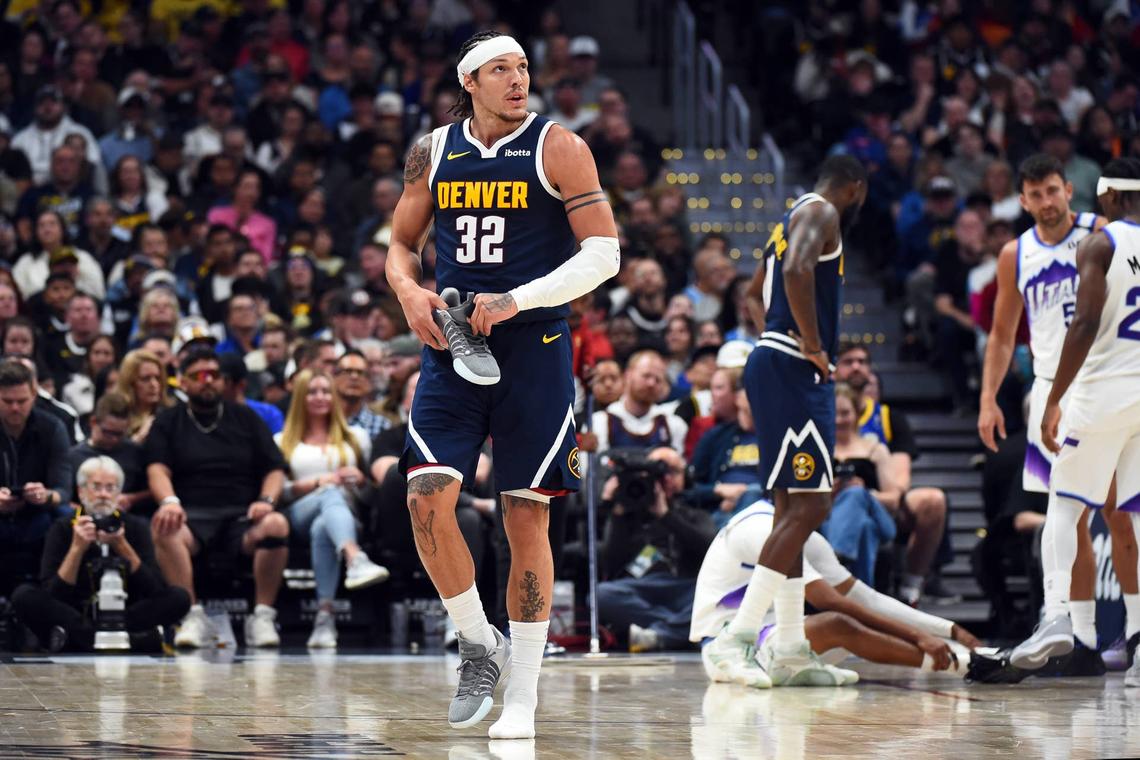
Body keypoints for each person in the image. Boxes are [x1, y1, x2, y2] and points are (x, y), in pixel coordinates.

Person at [385, 31, 619, 739]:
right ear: (471, 83)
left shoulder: (560, 146)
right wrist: (405, 289)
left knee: (525, 516)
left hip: (536, 345)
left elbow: (604, 255)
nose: (518, 79)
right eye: (501, 70)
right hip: (452, 340)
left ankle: (523, 694)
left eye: (521, 67)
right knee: (425, 496)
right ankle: (476, 642)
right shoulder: (434, 150)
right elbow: (400, 243)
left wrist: (517, 299)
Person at [704, 155, 867, 687]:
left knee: (790, 509)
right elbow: (797, 272)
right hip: (794, 369)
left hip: (772, 359)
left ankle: (792, 646)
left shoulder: (789, 220)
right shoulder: (823, 213)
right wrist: (813, 347)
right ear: (855, 189)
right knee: (813, 505)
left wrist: (775, 339)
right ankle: (740, 637)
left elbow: (753, 295)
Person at [980, 155, 1139, 667]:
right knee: (1070, 515)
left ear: (1071, 191)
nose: (1046, 203)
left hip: (1096, 382)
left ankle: (1113, 627)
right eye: (1036, 194)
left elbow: (1090, 320)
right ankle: (1086, 638)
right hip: (1055, 383)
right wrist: (989, 397)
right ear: (1022, 200)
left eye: (1053, 191)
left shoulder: (1102, 231)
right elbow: (1004, 334)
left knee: (1114, 511)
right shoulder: (1015, 254)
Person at [691, 500, 981, 684]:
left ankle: (972, 658)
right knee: (838, 625)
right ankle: (967, 666)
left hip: (775, 635)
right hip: (726, 645)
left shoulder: (806, 535)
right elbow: (828, 600)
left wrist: (952, 631)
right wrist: (918, 636)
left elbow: (864, 599)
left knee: (859, 627)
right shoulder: (760, 528)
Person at [146, 348, 289, 649]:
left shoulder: (246, 417)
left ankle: (262, 615)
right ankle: (190, 615)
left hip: (242, 516)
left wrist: (266, 500)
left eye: (214, 375)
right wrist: (169, 501)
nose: (208, 381)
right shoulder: (168, 421)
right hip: (191, 515)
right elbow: (157, 469)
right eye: (199, 376)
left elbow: (275, 468)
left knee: (276, 524)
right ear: (183, 382)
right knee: (163, 526)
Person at [10, 456, 190, 652]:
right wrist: (77, 548)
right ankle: (127, 640)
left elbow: (154, 588)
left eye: (110, 488)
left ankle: (81, 640)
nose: (103, 495)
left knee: (179, 597)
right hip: (75, 613)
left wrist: (122, 545)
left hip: (125, 615)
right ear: (81, 491)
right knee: (24, 596)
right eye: (96, 487)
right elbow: (53, 593)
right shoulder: (62, 528)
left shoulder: (135, 526)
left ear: (119, 493)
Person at [276, 369, 389, 648]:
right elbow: (280, 493)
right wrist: (317, 482)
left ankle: (324, 618)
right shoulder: (283, 441)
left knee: (323, 527)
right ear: (300, 397)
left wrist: (361, 481)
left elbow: (369, 496)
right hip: (297, 515)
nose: (320, 397)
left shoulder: (356, 437)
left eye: (326, 391)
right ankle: (354, 557)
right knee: (329, 492)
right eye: (312, 392)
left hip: (347, 518)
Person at [596, 446, 717, 652]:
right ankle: (677, 631)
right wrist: (618, 511)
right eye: (659, 473)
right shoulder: (627, 513)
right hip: (643, 589)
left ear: (684, 477)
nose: (664, 479)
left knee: (719, 595)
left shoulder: (694, 514)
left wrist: (666, 515)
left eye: (672, 472)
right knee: (601, 594)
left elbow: (711, 550)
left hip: (686, 588)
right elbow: (609, 563)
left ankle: (659, 634)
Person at [0, 361, 72, 597]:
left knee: (71, 518)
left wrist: (45, 495)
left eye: (21, 401)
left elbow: (63, 490)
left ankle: (60, 600)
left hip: (37, 515)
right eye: (7, 401)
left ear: (34, 396)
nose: (15, 408)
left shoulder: (52, 427)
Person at [588, 350, 688, 455]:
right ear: (628, 375)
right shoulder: (599, 423)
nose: (651, 383)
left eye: (658, 379)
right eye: (646, 376)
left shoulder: (674, 426)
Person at [67, 393, 150, 516]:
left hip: (130, 518)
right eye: (108, 433)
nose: (114, 439)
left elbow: (151, 490)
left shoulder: (136, 453)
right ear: (93, 422)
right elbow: (64, 498)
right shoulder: (73, 457)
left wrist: (132, 498)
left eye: (120, 434)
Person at [115, 349, 172, 443]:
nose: (154, 384)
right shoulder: (115, 416)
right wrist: (139, 438)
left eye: (157, 378)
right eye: (145, 379)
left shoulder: (173, 413)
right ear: (130, 382)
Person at [334, 350, 389, 439]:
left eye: (361, 372)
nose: (354, 377)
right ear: (334, 377)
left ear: (369, 382)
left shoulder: (382, 426)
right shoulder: (322, 422)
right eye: (348, 371)